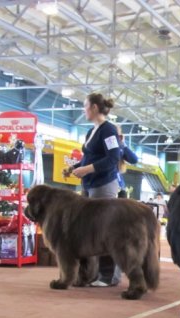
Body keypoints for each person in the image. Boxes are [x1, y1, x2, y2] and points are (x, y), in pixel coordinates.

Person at [64, 92, 124, 287]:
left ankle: (108, 276)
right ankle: (93, 274)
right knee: (91, 232)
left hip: (103, 186)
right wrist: (73, 168)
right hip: (89, 186)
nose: (83, 110)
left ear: (94, 108)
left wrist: (86, 169)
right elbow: (88, 158)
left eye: (85, 106)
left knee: (105, 231)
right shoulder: (92, 132)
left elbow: (113, 158)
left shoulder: (108, 130)